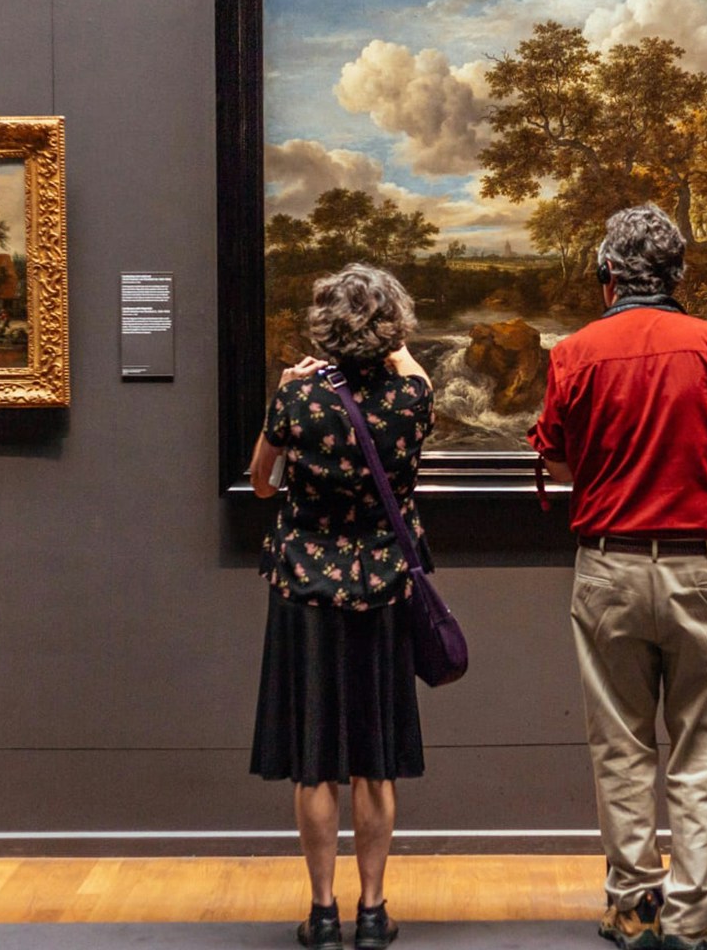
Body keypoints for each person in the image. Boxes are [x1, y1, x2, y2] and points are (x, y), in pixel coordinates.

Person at [529, 205, 707, 950]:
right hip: (704, 569)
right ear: (678, 275)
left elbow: (554, 460)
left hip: (608, 567)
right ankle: (694, 915)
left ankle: (635, 906)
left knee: (621, 744)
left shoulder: (573, 352)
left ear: (607, 278)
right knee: (702, 749)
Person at [249, 263, 433, 950]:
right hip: (384, 589)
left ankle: (323, 913)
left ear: (324, 327)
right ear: (392, 326)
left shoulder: (295, 399)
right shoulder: (413, 395)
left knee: (315, 756)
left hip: (305, 590)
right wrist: (398, 350)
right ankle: (373, 911)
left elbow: (262, 484)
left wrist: (292, 385)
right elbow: (414, 371)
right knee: (374, 759)